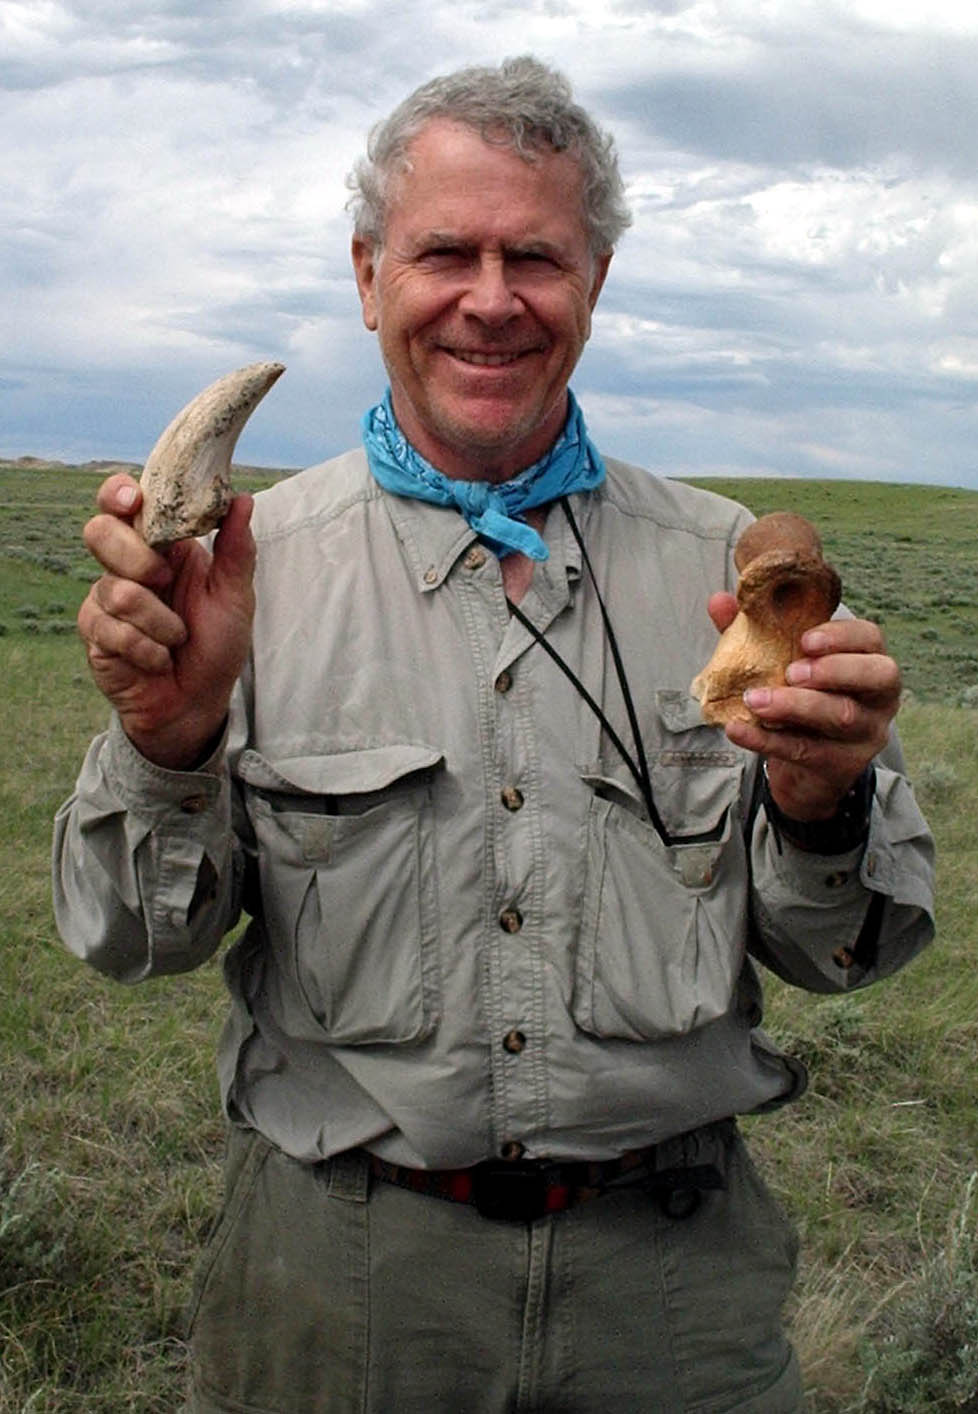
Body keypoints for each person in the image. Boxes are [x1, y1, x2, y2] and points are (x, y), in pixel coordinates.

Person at [53, 56, 935, 1414]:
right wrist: (168, 742)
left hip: (672, 1294)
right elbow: (131, 942)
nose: (489, 297)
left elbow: (843, 953)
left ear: (593, 283)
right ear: (365, 276)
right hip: (334, 1289)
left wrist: (821, 805)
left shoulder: (737, 582)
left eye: (535, 254)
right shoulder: (238, 569)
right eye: (441, 252)